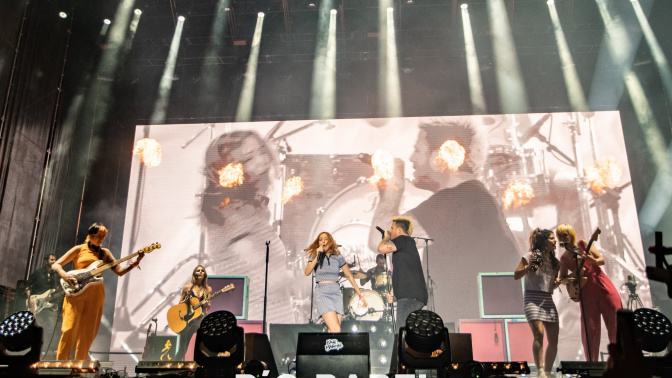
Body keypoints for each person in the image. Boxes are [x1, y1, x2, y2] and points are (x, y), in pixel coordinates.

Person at [369, 118, 520, 323]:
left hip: (475, 339)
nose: (412, 158)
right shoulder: (473, 196)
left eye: (418, 150)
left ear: (440, 156)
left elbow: (381, 241)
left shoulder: (457, 198)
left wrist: (392, 189)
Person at [52, 222, 144, 360]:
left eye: (103, 236)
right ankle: (60, 364)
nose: (101, 239)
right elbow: (56, 264)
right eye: (99, 236)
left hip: (95, 294)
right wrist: (64, 274)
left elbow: (119, 271)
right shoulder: (79, 249)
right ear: (91, 235)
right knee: (69, 329)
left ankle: (80, 365)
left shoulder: (105, 253)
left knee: (87, 333)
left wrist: (136, 261)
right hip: (76, 291)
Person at [556, 224, 622, 362]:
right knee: (590, 328)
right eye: (560, 236)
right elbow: (562, 279)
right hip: (586, 292)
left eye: (565, 235)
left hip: (602, 284)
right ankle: (592, 363)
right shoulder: (564, 258)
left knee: (615, 318)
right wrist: (572, 276)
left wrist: (591, 260)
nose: (563, 238)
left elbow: (602, 260)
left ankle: (620, 359)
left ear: (571, 235)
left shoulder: (582, 244)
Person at [514, 228, 561, 378]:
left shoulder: (555, 263)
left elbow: (551, 284)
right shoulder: (530, 256)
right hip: (532, 299)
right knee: (539, 334)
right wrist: (528, 267)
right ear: (544, 241)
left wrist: (557, 282)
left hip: (548, 299)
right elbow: (516, 274)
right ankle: (540, 371)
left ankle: (547, 371)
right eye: (552, 239)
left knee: (554, 339)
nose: (555, 241)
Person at [304, 232, 367, 332]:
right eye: (321, 239)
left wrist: (360, 295)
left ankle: (327, 347)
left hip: (336, 293)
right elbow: (307, 272)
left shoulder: (338, 257)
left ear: (330, 241)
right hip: (323, 292)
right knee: (335, 329)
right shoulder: (315, 256)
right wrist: (317, 256)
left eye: (326, 239)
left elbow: (349, 276)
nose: (323, 241)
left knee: (334, 330)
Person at [377, 216, 427, 332]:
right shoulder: (404, 245)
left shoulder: (403, 239)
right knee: (405, 331)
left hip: (409, 298)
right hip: (410, 297)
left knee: (402, 333)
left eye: (392, 228)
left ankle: (403, 349)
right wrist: (393, 293)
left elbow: (382, 248)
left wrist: (385, 237)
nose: (390, 231)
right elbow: (403, 271)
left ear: (399, 230)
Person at [26, 254, 61, 359]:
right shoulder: (38, 273)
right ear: (46, 261)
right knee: (37, 327)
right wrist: (30, 298)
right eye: (51, 259)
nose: (54, 261)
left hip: (50, 306)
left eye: (55, 259)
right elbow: (28, 285)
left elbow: (57, 290)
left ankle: (47, 351)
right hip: (37, 304)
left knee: (51, 328)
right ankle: (33, 349)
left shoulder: (57, 275)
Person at [175, 265, 212, 361]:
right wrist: (187, 300)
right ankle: (173, 368)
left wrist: (206, 304)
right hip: (188, 320)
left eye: (202, 270)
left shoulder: (207, 290)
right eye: (198, 270)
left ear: (205, 274)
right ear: (194, 274)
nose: (200, 272)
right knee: (183, 349)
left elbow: (208, 305)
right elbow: (180, 303)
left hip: (200, 321)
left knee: (202, 347)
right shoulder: (187, 288)